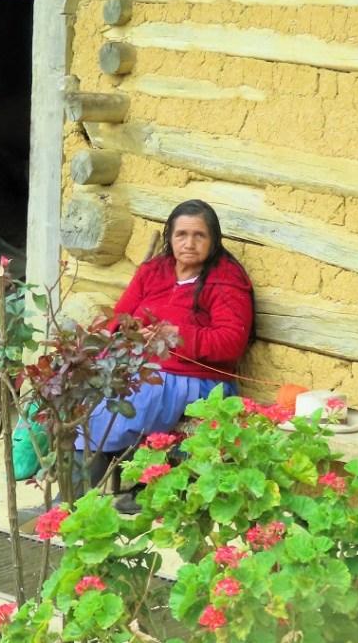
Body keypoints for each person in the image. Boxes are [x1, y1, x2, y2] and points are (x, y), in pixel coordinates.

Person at [80, 199, 255, 496]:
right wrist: (132, 331)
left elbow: (231, 341)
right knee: (84, 392)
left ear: (213, 240)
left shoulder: (225, 279)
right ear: (169, 237)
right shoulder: (153, 271)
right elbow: (119, 318)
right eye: (181, 234)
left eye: (199, 235)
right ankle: (72, 499)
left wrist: (176, 335)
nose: (189, 243)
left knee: (138, 398)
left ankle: (118, 492)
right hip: (141, 366)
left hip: (194, 378)